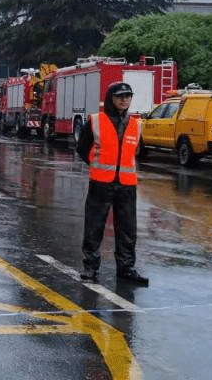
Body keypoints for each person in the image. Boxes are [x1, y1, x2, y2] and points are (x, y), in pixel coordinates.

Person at [75, 81, 150, 286]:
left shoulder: (136, 124)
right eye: (119, 96)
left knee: (127, 229)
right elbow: (82, 148)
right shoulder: (96, 121)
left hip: (126, 184)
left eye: (128, 96)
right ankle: (90, 267)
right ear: (111, 98)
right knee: (94, 226)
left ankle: (126, 268)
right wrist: (96, 165)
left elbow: (136, 151)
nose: (124, 100)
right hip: (101, 183)